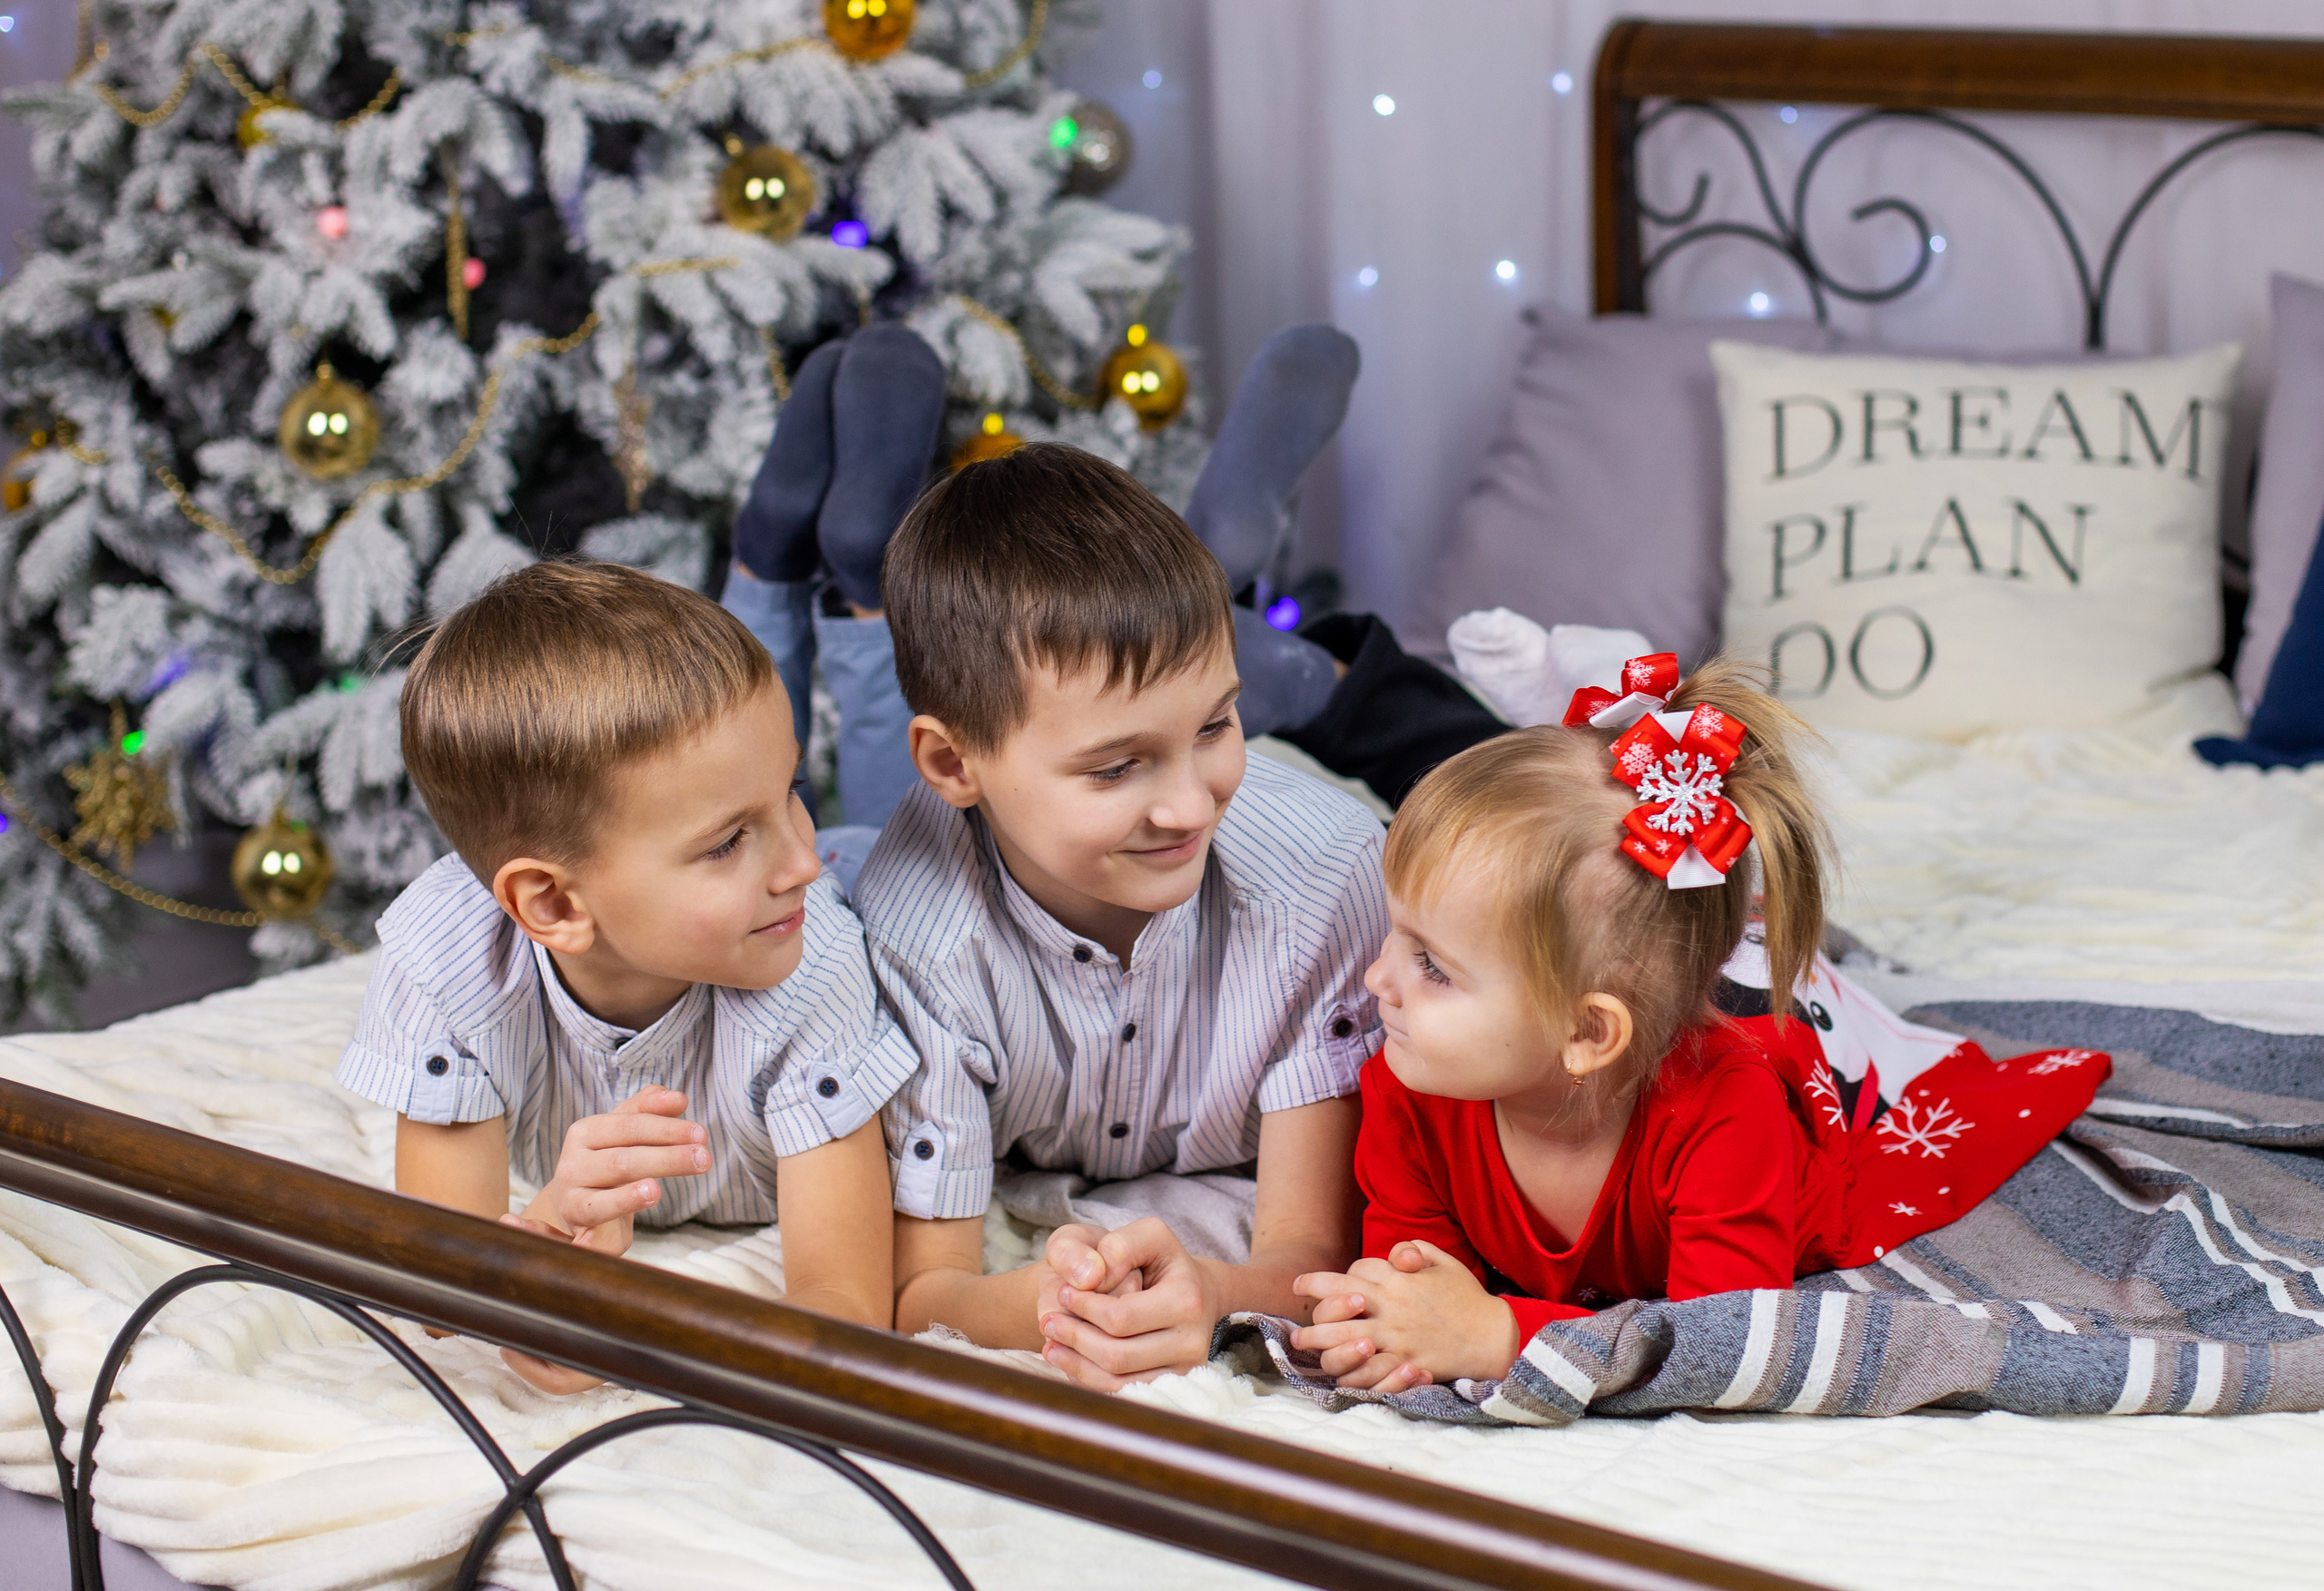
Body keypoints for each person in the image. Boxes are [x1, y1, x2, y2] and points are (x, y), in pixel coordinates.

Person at [1286, 657, 2112, 1392]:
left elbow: (1727, 1343)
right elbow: (1414, 1287)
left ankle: (1795, 961)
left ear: (1585, 1032)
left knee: (1825, 1035)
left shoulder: (1726, 1116)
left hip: (1785, 1078)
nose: (1377, 978)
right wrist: (1380, 1327)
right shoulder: (1407, 1084)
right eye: (1396, 934)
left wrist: (1500, 1334)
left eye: (1432, 964)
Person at [854, 442, 1390, 1390]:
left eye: (1215, 726)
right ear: (951, 765)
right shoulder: (916, 934)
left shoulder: (1326, 883)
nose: (1188, 804)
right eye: (1114, 766)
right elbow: (924, 1290)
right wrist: (1046, 1304)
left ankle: (1310, 679)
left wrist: (1213, 1287)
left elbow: (1314, 1251)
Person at [336, 562, 917, 1392]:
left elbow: (848, 1307)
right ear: (552, 902)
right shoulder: (444, 962)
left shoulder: (811, 947)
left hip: (880, 881)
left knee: (910, 823)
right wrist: (552, 1261)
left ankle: (799, 565)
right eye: (725, 842)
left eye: (792, 789)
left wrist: (648, 1337)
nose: (798, 863)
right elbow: (443, 1284)